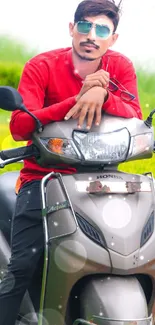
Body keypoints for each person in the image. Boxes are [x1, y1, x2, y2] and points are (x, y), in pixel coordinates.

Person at [0, 0, 143, 324]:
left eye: (102, 29)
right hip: (44, 177)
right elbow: (20, 126)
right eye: (85, 26)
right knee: (22, 265)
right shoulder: (42, 66)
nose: (92, 35)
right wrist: (77, 99)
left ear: (113, 38)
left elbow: (134, 115)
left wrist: (104, 95)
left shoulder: (119, 67)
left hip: (104, 176)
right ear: (72, 29)